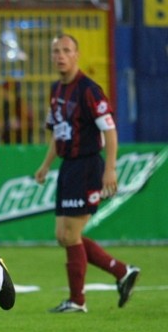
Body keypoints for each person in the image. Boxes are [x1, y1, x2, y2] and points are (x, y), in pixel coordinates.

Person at [34, 34, 140, 313]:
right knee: (63, 235)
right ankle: (121, 271)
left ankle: (77, 300)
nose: (60, 55)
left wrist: (110, 169)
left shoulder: (89, 89)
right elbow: (58, 133)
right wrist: (46, 165)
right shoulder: (56, 90)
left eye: (66, 50)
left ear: (77, 55)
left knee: (70, 234)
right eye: (56, 51)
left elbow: (110, 131)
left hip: (88, 165)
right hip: (68, 167)